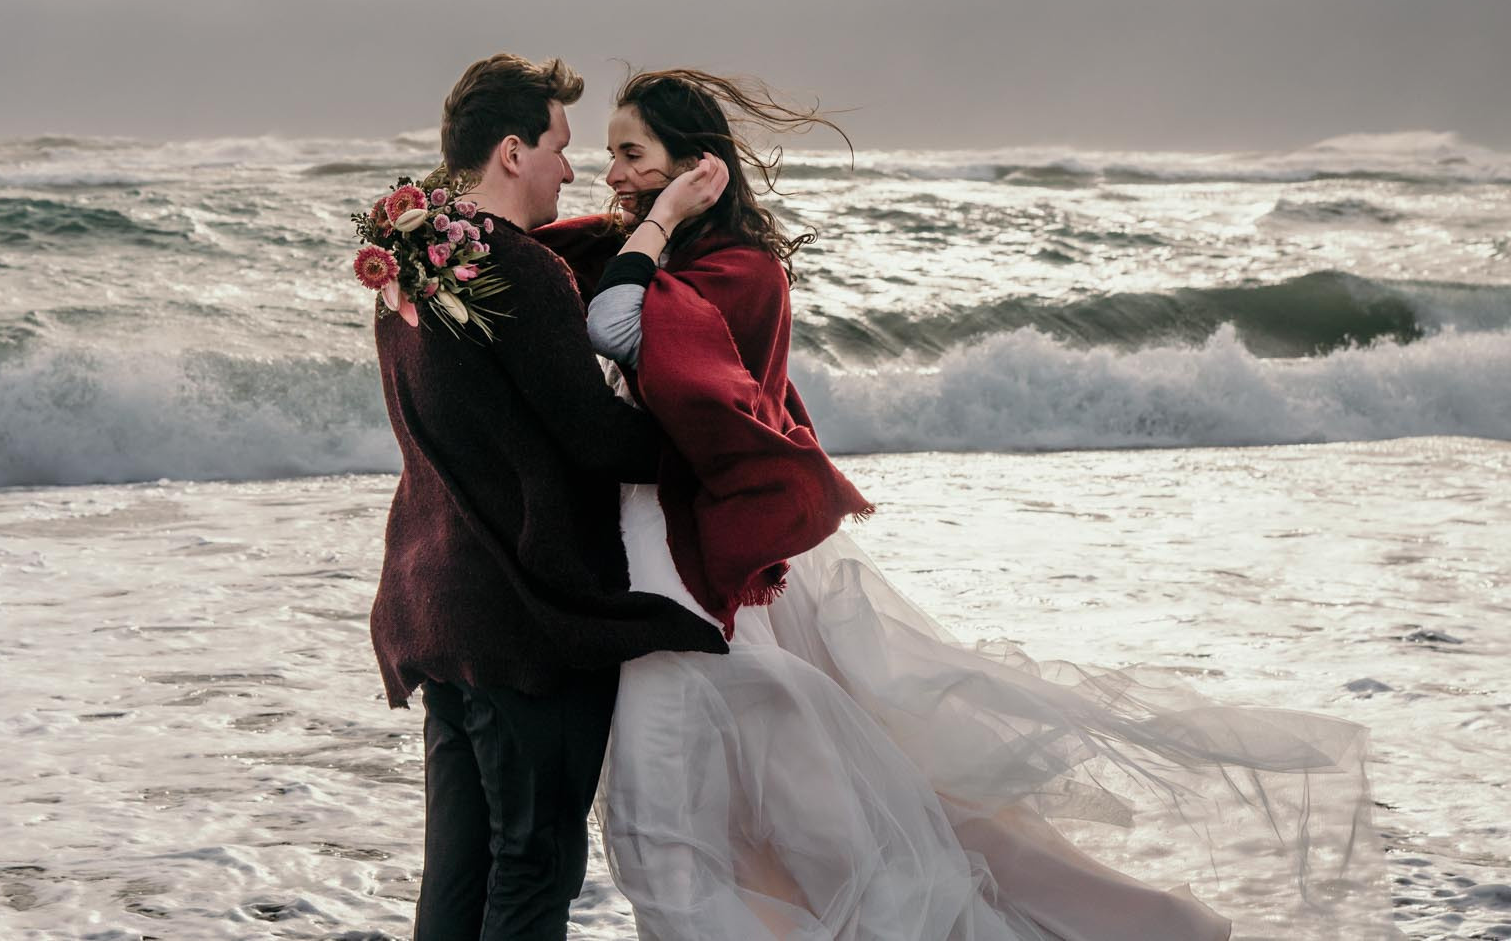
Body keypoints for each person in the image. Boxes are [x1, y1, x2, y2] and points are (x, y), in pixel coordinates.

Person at [533, 69, 1396, 941]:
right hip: (669, 556)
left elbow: (616, 329)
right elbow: (551, 268)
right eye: (607, 154)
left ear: (695, 168)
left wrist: (659, 217)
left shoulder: (736, 268)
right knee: (738, 829)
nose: (611, 173)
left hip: (701, 567)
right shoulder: (663, 255)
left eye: (632, 154)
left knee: (756, 827)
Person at [367, 54, 728, 941]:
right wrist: (722, 451)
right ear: (513, 151)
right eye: (561, 147)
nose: (572, 169)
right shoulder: (519, 268)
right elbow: (594, 435)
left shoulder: (408, 263)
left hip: (438, 603)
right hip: (523, 622)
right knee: (533, 869)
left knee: (458, 873)